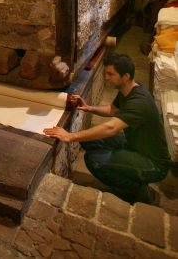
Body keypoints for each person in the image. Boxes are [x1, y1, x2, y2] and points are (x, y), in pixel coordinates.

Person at [44, 53, 170, 205]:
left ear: (126, 76)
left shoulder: (138, 102)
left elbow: (111, 128)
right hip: (135, 146)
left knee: (94, 161)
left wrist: (70, 136)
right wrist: (88, 108)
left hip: (153, 164)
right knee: (89, 142)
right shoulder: (129, 90)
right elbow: (112, 109)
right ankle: (125, 170)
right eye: (106, 73)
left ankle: (143, 193)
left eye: (111, 74)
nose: (107, 77)